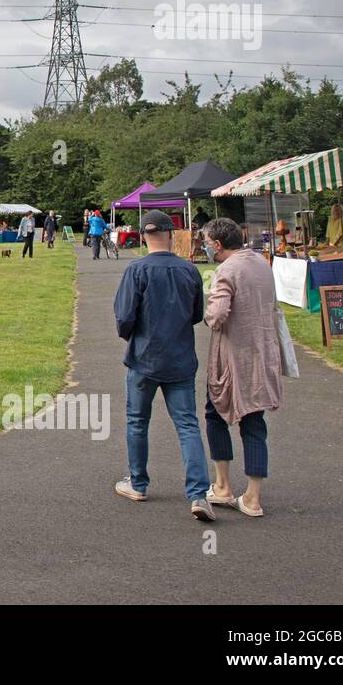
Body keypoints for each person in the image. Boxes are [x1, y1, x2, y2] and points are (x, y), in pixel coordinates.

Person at [113, 211, 214, 521]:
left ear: (143, 235)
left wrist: (136, 335)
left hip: (144, 357)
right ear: (171, 234)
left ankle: (138, 482)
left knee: (137, 421)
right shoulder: (189, 271)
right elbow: (197, 314)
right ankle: (198, 493)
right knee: (187, 425)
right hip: (180, 358)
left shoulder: (136, 270)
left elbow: (124, 318)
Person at [202, 217, 284, 518]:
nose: (207, 248)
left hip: (233, 355)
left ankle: (222, 485)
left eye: (208, 243)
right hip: (263, 352)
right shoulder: (262, 263)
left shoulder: (226, 269)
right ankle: (253, 496)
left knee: (215, 413)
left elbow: (218, 313)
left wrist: (209, 311)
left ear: (219, 244)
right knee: (254, 421)